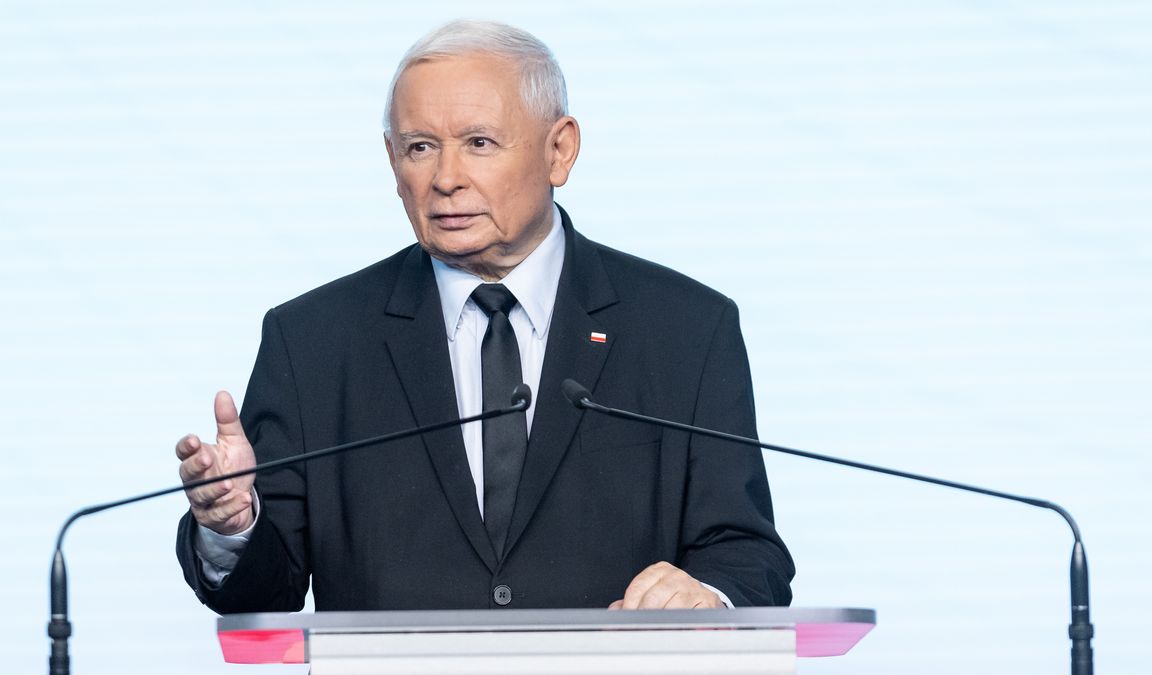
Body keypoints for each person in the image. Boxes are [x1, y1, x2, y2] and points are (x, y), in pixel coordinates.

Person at [175, 19, 793, 613]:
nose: (445, 178)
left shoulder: (685, 329)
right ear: (392, 163)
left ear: (560, 151)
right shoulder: (312, 340)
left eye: (479, 143)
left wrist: (707, 594)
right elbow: (263, 592)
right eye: (420, 147)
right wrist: (233, 524)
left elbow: (747, 555)